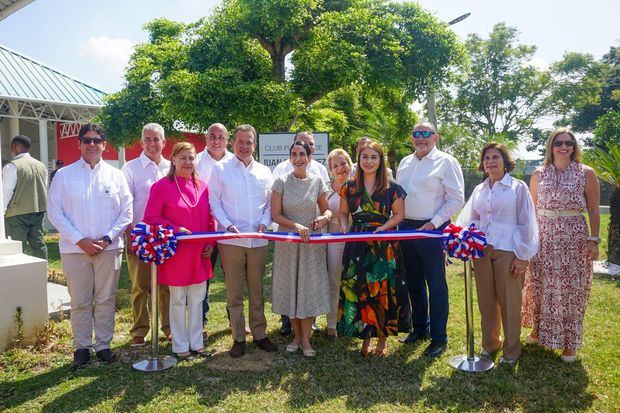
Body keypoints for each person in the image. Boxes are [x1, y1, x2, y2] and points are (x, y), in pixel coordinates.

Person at [47, 123, 132, 368]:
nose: (92, 144)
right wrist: (80, 240)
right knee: (80, 301)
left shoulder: (116, 175)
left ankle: (104, 345)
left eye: (97, 140)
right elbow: (55, 212)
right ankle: (81, 347)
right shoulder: (64, 175)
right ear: (79, 144)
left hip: (109, 248)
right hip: (75, 250)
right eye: (87, 140)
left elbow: (126, 212)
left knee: (106, 298)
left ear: (105, 144)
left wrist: (107, 238)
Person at [522, 128, 600, 363]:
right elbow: (532, 209)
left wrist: (593, 240)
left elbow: (594, 209)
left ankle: (570, 343)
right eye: (558, 143)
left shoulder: (586, 173)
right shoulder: (538, 173)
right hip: (543, 236)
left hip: (573, 236)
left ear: (575, 146)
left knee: (570, 290)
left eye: (569, 143)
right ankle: (538, 330)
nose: (563, 147)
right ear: (551, 146)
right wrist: (529, 240)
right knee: (539, 284)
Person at [456, 143, 539, 364]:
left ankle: (511, 351)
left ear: (505, 161)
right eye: (487, 158)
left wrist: (523, 256)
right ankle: (490, 344)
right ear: (482, 164)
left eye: (495, 157)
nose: (491, 162)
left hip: (509, 251)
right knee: (486, 301)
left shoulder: (517, 187)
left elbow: (527, 222)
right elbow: (469, 219)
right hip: (482, 251)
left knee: (509, 302)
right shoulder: (480, 189)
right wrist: (465, 238)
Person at [209, 124, 278, 358]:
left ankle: (259, 334)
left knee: (257, 290)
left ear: (254, 145)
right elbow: (214, 202)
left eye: (249, 142)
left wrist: (264, 223)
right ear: (233, 143)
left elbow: (269, 205)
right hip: (231, 241)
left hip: (257, 240)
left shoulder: (264, 171)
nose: (245, 146)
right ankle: (238, 337)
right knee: (234, 292)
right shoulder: (220, 169)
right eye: (240, 141)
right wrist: (227, 225)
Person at [396, 122, 464, 358]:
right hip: (406, 229)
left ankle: (438, 337)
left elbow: (456, 199)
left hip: (432, 229)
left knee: (435, 284)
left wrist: (434, 223)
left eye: (426, 134)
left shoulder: (446, 162)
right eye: (416, 134)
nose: (421, 138)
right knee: (413, 281)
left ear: (436, 137)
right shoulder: (405, 162)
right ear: (411, 137)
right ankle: (420, 328)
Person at [143, 141, 214, 359]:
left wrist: (211, 242)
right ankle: (180, 345)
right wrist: (174, 229)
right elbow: (150, 218)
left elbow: (209, 216)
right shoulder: (161, 186)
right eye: (182, 158)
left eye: (191, 158)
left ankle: (197, 341)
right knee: (177, 299)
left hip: (199, 252)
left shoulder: (202, 185)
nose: (187, 162)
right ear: (173, 160)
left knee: (197, 298)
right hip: (176, 252)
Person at [337, 141, 409, 356]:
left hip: (383, 244)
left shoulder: (392, 188)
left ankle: (382, 339)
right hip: (357, 243)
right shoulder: (349, 186)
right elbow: (342, 213)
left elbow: (399, 215)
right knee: (359, 288)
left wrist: (383, 229)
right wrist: (343, 227)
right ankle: (364, 338)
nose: (369, 161)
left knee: (382, 290)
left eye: (373, 157)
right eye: (364, 157)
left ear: (381, 160)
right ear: (358, 160)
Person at [271, 141, 332, 357]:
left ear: (309, 158)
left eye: (302, 154)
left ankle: (306, 339)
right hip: (288, 243)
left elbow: (327, 211)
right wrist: (295, 226)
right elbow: (275, 215)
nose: (298, 158)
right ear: (290, 158)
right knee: (292, 288)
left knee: (307, 288)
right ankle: (296, 336)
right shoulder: (281, 182)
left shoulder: (317, 182)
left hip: (311, 244)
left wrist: (323, 219)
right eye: (294, 154)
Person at [121, 123, 171, 347]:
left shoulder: (172, 168)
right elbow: (125, 205)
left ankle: (168, 327)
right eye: (148, 140)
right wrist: (130, 235)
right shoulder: (130, 169)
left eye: (156, 139)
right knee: (140, 286)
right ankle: (139, 329)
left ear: (164, 142)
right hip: (139, 238)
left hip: (166, 238)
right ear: (141, 143)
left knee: (166, 286)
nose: (152, 144)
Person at [194, 122, 234, 336]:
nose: (216, 141)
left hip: (229, 229)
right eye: (212, 136)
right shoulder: (196, 161)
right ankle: (200, 323)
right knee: (203, 278)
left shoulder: (234, 161)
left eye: (221, 137)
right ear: (206, 138)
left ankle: (234, 321)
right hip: (204, 230)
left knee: (233, 278)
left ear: (227, 140)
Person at [3, 135, 48, 259]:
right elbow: (43, 186)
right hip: (38, 212)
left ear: (15, 147)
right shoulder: (41, 165)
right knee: (39, 245)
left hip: (16, 214)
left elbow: (7, 192)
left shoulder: (12, 166)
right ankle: (42, 273)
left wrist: (2, 212)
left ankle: (19, 276)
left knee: (17, 248)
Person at [325, 148, 353, 339]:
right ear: (330, 170)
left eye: (343, 163)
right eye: (335, 165)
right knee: (334, 283)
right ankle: (332, 324)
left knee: (354, 282)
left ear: (350, 164)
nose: (340, 168)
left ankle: (353, 323)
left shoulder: (361, 186)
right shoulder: (326, 190)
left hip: (357, 241)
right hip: (334, 241)